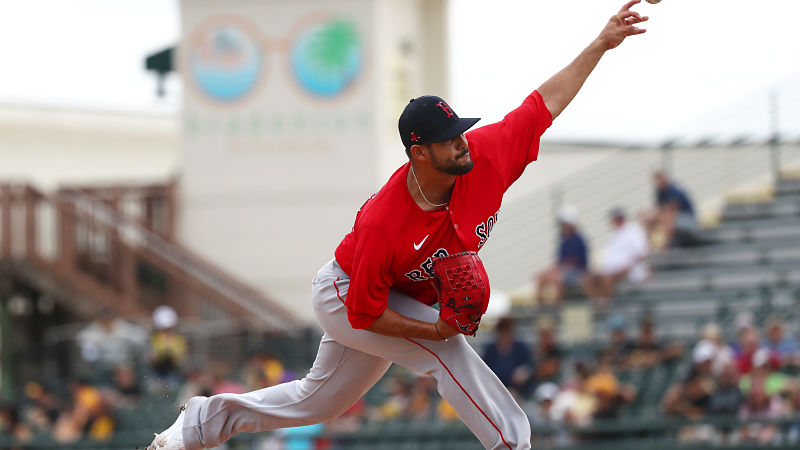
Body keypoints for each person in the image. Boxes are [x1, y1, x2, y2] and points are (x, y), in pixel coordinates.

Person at [147, 3, 650, 449]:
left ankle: (198, 425)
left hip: (391, 299)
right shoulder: (386, 219)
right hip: (347, 293)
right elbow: (365, 313)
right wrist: (433, 329)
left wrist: (602, 43)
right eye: (450, 139)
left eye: (461, 132)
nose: (463, 143)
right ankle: (512, 444)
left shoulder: (487, 155)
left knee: (316, 403)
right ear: (419, 152)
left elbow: (545, 102)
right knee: (445, 350)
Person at [583, 207, 649, 300]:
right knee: (589, 279)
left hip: (630, 271)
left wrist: (628, 266)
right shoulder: (614, 235)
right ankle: (598, 305)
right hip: (613, 269)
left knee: (607, 279)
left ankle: (606, 307)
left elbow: (641, 254)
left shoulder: (634, 232)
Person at [535, 205, 589, 303]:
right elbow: (560, 261)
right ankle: (541, 307)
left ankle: (557, 307)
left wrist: (558, 270)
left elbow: (575, 262)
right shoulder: (564, 240)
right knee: (540, 277)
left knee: (557, 279)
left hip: (578, 272)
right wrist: (553, 270)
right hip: (564, 270)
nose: (562, 227)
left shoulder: (578, 240)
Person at [482, 317, 534, 396]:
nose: (505, 334)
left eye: (508, 331)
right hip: (494, 390)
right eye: (502, 331)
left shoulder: (521, 347)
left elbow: (530, 366)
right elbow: (484, 369)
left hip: (517, 391)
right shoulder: (491, 349)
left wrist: (524, 372)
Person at [650, 171, 699, 248]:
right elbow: (658, 210)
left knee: (666, 218)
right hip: (675, 220)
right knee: (648, 218)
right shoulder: (660, 193)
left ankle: (666, 246)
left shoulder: (674, 190)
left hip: (687, 220)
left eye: (659, 179)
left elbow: (672, 212)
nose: (658, 182)